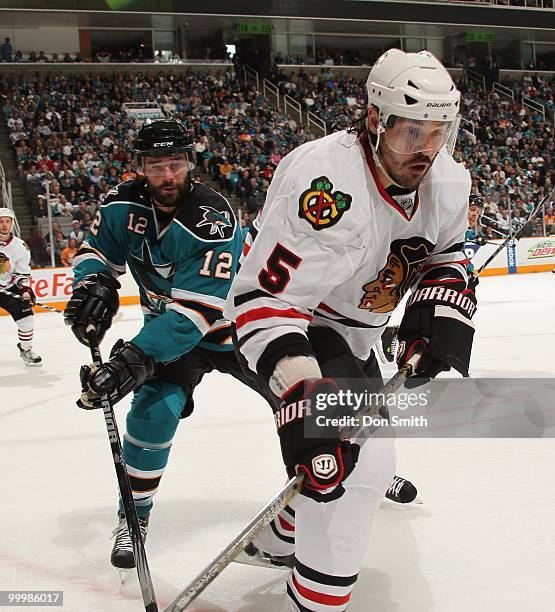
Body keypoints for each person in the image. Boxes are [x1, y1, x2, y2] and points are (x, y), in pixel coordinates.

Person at [224, 49, 476, 610]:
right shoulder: (325, 183)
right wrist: (305, 392)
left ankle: (277, 539)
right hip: (294, 326)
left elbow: (448, 254)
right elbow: (264, 300)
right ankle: (318, 599)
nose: (428, 148)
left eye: (440, 131)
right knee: (363, 461)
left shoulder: (447, 179)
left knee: (345, 455)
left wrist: (444, 301)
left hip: (354, 334)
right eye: (413, 131)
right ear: (374, 120)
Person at [63, 118, 274, 572]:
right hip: (172, 333)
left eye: (175, 163)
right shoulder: (121, 205)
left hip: (233, 330)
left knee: (298, 397)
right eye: (155, 165)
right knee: (150, 414)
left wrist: (131, 360)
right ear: (140, 166)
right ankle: (133, 521)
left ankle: (357, 466)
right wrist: (95, 281)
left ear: (190, 163)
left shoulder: (211, 219)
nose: (167, 175)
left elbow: (197, 314)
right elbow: (95, 251)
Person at [0, 208, 42, 366]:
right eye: (1, 221)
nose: (4, 225)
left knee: (27, 318)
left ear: (11, 223)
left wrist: (24, 289)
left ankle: (26, 349)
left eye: (7, 221)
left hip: (8, 288)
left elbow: (22, 273)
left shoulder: (20, 246)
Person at [465, 193, 487, 275]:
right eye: (472, 209)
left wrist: (477, 238)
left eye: (478, 213)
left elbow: (471, 235)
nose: (475, 215)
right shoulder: (450, 229)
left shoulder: (467, 230)